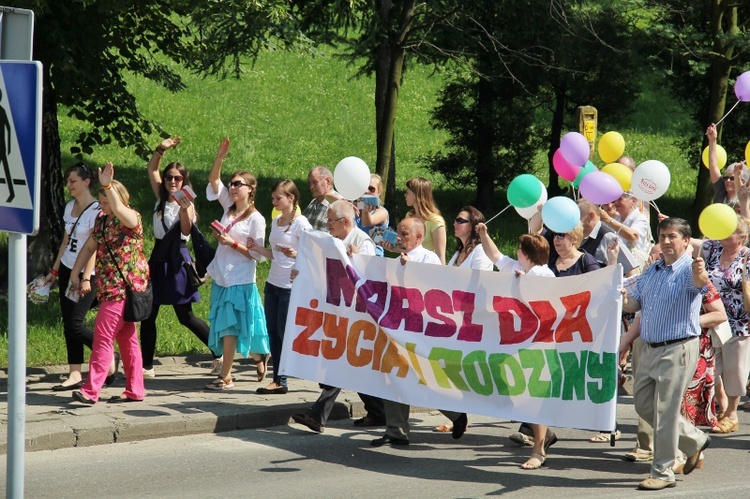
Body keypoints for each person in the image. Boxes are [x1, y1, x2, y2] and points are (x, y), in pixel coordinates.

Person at [622, 217, 711, 491]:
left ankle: (662, 472)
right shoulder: (654, 270)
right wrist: (613, 294)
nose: (666, 241)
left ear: (686, 240)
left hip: (678, 347)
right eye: (662, 236)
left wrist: (700, 272)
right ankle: (694, 440)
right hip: (649, 348)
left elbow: (700, 282)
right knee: (643, 405)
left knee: (665, 410)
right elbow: (635, 301)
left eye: (672, 236)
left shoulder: (689, 268)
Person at [370, 217, 468, 447]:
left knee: (424, 377)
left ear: (419, 237)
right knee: (393, 375)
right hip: (397, 327)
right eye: (399, 233)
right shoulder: (398, 259)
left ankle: (456, 414)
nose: (400, 238)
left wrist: (408, 270)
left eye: (405, 234)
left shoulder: (428, 258)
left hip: (420, 331)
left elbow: (434, 293)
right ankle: (396, 430)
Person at [292, 201, 385, 431]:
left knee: (340, 364)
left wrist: (355, 261)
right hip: (339, 312)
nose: (327, 225)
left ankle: (317, 416)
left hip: (357, 316)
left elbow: (367, 279)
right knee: (352, 366)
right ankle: (379, 412)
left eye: (331, 221)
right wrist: (301, 274)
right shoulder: (332, 242)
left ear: (345, 222)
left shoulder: (363, 244)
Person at [69, 162, 149, 405]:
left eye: (105, 202)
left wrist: (106, 184)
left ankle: (91, 390)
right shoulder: (103, 221)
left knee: (103, 338)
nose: (102, 207)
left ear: (117, 199)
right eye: (101, 202)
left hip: (122, 289)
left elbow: (117, 207)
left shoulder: (131, 218)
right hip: (109, 288)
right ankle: (135, 389)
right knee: (128, 340)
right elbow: (90, 246)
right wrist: (76, 273)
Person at [141, 136, 218, 378]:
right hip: (156, 257)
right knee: (148, 314)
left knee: (185, 316)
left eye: (177, 178)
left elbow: (185, 231)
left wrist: (184, 207)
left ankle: (219, 353)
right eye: (169, 177)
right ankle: (146, 366)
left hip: (177, 257)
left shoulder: (187, 203)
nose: (172, 181)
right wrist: (160, 149)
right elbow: (151, 168)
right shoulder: (160, 198)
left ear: (184, 181)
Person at [204, 137, 270, 390]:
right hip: (222, 277)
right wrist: (220, 157)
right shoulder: (228, 208)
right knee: (231, 327)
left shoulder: (257, 219)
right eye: (231, 184)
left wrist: (230, 242)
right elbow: (213, 181)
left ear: (251, 189)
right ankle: (258, 356)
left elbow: (259, 256)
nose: (232, 188)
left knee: (230, 328)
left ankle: (226, 377)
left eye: (238, 184)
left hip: (240, 280)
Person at [44, 163, 108, 391]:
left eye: (73, 181)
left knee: (76, 323)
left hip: (85, 273)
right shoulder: (70, 207)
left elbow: (95, 247)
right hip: (67, 268)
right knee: (68, 322)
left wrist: (87, 277)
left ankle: (108, 357)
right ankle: (74, 373)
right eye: (67, 181)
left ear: (86, 182)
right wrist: (54, 271)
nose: (68, 185)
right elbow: (65, 241)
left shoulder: (96, 211)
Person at [247, 179, 311, 395]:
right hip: (273, 282)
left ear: (291, 198)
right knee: (272, 331)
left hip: (289, 285)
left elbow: (312, 254)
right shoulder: (276, 222)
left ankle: (282, 378)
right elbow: (275, 253)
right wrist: (258, 248)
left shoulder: (302, 224)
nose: (274, 201)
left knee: (284, 332)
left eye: (278, 198)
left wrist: (297, 254)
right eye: (273, 198)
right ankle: (278, 379)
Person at [690, 216, 750, 434]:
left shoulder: (747, 257)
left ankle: (732, 415)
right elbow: (690, 241)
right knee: (710, 366)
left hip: (739, 322)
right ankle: (719, 405)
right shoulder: (713, 249)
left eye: (730, 231)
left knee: (735, 370)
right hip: (713, 318)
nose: (724, 234)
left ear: (742, 237)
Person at [578, 199, 638, 276]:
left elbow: (631, 269)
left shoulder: (607, 237)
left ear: (591, 216)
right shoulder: (577, 237)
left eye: (578, 216)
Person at [599, 191, 653, 269]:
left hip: (635, 267)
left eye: (620, 199)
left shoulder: (640, 218)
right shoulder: (617, 219)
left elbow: (633, 236)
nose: (616, 203)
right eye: (615, 199)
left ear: (633, 200)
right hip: (620, 265)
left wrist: (608, 220)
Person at [404, 177, 447, 264]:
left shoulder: (435, 221)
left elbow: (440, 255)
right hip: (409, 266)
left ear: (416, 195)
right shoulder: (409, 216)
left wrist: (442, 276)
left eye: (407, 192)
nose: (405, 195)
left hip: (428, 268)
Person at [706, 123, 750, 206]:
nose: (727, 181)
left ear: (743, 181)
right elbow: (713, 166)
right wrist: (712, 140)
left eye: (732, 178)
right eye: (726, 177)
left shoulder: (745, 198)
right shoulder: (721, 191)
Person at [446, 206, 493, 270]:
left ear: (472, 225)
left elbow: (481, 278)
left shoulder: (481, 251)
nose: (454, 224)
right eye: (455, 221)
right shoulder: (459, 250)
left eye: (460, 220)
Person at [357, 173, 390, 256]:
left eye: (371, 189)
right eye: (364, 187)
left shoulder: (382, 212)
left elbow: (366, 222)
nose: (367, 191)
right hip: (354, 253)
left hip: (374, 257)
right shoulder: (353, 208)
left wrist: (365, 211)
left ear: (379, 192)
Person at [303, 166, 339, 231]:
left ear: (328, 181)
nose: (311, 187)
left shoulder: (338, 204)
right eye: (310, 183)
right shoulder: (313, 202)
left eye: (315, 182)